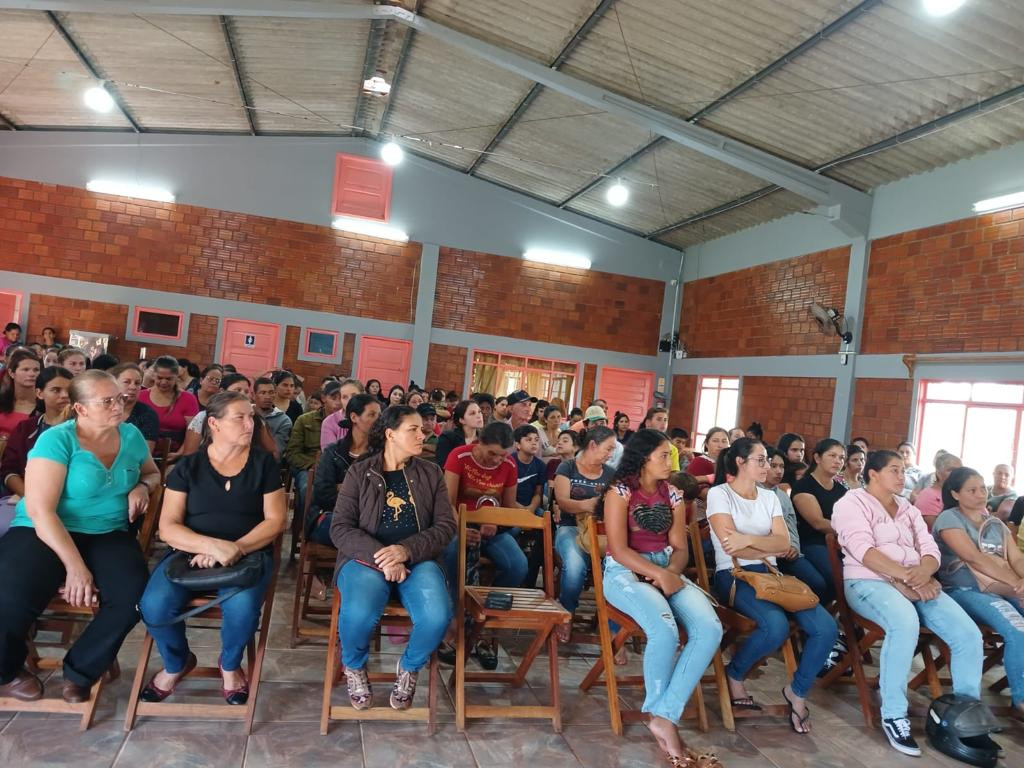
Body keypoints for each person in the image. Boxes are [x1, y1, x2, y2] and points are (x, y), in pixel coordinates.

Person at [0, 370, 157, 703]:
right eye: (108, 401)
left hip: (106, 531)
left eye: (120, 396)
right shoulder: (57, 440)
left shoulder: (130, 436)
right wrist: (75, 567)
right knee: (10, 591)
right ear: (81, 409)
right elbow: (42, 512)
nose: (121, 403)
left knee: (134, 597)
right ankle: (6, 671)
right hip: (44, 528)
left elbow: (152, 471)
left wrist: (143, 487)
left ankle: (81, 670)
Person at [137, 391, 286, 706]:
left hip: (247, 554)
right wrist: (211, 546)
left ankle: (230, 664)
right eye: (240, 418)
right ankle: (177, 662)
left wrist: (235, 548)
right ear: (214, 424)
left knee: (242, 609)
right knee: (154, 606)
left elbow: (275, 521)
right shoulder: (188, 468)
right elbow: (169, 527)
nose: (250, 424)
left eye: (252, 417)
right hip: (190, 553)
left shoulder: (263, 465)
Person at [833, 450, 984, 756]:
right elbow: (863, 550)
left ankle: (966, 718)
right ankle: (894, 714)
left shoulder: (908, 508)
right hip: (868, 581)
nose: (902, 477)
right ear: (873, 474)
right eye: (894, 470)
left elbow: (930, 549)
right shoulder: (851, 503)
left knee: (968, 634)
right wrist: (904, 578)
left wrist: (924, 572)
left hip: (918, 582)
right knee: (904, 623)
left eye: (903, 471)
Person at [600, 429, 723, 766]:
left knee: (711, 628)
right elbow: (620, 549)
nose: (671, 462)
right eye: (663, 456)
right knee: (665, 630)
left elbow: (680, 547)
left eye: (672, 455)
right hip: (624, 572)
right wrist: (657, 575)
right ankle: (661, 716)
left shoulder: (673, 494)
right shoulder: (620, 491)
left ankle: (664, 716)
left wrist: (669, 571)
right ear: (642, 459)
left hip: (666, 568)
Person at [707, 438, 837, 733]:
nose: (767, 466)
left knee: (826, 628)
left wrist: (749, 540)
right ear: (740, 462)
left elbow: (784, 542)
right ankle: (735, 675)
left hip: (773, 576)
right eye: (761, 460)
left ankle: (797, 691)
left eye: (767, 460)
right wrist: (761, 546)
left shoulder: (770, 497)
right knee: (775, 626)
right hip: (735, 575)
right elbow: (731, 547)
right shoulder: (720, 494)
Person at [331, 405, 455, 710]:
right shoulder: (360, 472)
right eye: (412, 429)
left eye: (422, 429)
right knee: (359, 613)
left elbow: (445, 525)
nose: (421, 434)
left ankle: (410, 667)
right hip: (364, 559)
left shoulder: (430, 472)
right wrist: (384, 558)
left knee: (437, 616)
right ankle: (354, 666)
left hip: (419, 559)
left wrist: (406, 551)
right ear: (390, 434)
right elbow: (340, 528)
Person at [933, 466, 1024, 721]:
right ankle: (1021, 700)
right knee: (1017, 628)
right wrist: (1017, 585)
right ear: (955, 493)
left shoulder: (994, 524)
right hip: (965, 590)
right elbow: (973, 557)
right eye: (972, 490)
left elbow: (1016, 558)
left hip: (1005, 588)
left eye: (983, 488)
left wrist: (1022, 581)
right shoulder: (949, 519)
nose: (981, 494)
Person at [442, 421, 525, 657]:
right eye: (492, 454)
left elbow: (508, 506)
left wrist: (495, 521)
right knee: (451, 553)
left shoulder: (509, 465)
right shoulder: (460, 457)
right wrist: (460, 528)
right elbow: (447, 502)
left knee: (517, 566)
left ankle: (483, 619)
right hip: (458, 523)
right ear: (479, 443)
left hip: (491, 528)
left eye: (503, 456)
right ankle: (455, 617)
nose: (498, 461)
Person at [552, 425, 617, 643]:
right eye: (608, 449)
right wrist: (587, 505)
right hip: (570, 527)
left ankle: (614, 627)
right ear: (592, 445)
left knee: (619, 569)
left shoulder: (610, 474)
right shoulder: (567, 467)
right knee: (575, 566)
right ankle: (567, 613)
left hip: (601, 531)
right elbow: (562, 501)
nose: (611, 454)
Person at [1, 365, 73, 536]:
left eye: (69, 391)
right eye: (56, 390)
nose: (64, 395)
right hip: (25, 497)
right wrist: (30, 497)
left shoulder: (83, 430)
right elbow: (8, 470)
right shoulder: (26, 428)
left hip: (69, 504)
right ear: (40, 393)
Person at [309, 394, 381, 546]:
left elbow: (381, 493)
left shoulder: (380, 455)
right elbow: (323, 493)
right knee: (348, 531)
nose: (378, 420)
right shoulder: (333, 452)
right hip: (332, 515)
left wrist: (344, 488)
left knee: (375, 531)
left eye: (379, 415)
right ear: (354, 417)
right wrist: (359, 494)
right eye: (372, 415)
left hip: (368, 519)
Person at [763, 446, 828, 600]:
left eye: (782, 467)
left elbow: (791, 525)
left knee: (818, 583)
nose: (779, 471)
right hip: (764, 553)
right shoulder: (752, 492)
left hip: (788, 553)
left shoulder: (783, 496)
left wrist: (794, 547)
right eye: (773, 466)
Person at [790, 439, 847, 605]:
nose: (838, 461)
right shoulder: (804, 486)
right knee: (837, 578)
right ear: (817, 458)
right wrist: (849, 531)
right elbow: (818, 523)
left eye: (842, 457)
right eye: (832, 455)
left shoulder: (841, 490)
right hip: (812, 543)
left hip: (840, 543)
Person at [179, 374, 277, 459]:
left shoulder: (255, 419)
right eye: (237, 390)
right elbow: (189, 455)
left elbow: (273, 453)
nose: (242, 395)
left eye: (246, 391)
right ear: (222, 392)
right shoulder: (204, 417)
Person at [284, 380, 343, 515]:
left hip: (337, 469)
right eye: (333, 398)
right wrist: (316, 465)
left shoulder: (347, 423)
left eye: (342, 399)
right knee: (308, 489)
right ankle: (308, 525)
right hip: (309, 467)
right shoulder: (305, 420)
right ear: (323, 398)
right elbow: (292, 453)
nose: (338, 403)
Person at [138, 356, 200, 453]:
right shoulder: (141, 396)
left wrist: (180, 454)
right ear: (154, 375)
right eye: (160, 378)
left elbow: (193, 433)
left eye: (168, 379)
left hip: (174, 456)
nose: (163, 382)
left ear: (176, 376)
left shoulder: (188, 399)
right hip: (141, 453)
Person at [110, 363, 159, 451]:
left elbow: (145, 452)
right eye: (126, 382)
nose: (133, 387)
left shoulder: (148, 414)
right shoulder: (102, 408)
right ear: (114, 383)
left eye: (137, 383)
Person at [0, 348, 41, 440]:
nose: (32, 374)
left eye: (36, 370)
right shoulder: (2, 399)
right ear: (11, 373)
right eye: (25, 369)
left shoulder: (43, 405)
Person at [686, 427, 729, 512]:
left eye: (724, 441)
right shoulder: (699, 461)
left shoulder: (730, 464)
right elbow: (702, 492)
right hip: (703, 513)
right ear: (706, 444)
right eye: (715, 441)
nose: (720, 445)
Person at [915, 452, 962, 527]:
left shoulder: (965, 493)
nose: (958, 474)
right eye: (951, 470)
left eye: (961, 470)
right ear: (938, 473)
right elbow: (941, 530)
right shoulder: (927, 496)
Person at [435, 399, 483, 469]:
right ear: (462, 420)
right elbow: (443, 465)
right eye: (472, 413)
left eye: (479, 412)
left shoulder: (485, 439)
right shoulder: (448, 437)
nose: (479, 416)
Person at [320, 378, 366, 449]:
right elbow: (330, 455)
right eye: (344, 397)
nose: (350, 400)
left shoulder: (372, 420)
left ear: (363, 396)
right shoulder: (329, 422)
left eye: (354, 396)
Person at [253, 377, 292, 458]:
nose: (267, 397)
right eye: (263, 393)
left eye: (271, 392)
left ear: (275, 394)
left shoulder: (283, 420)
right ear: (254, 395)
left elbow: (276, 453)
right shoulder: (245, 413)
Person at [637, 407, 679, 471]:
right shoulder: (637, 444)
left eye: (665, 420)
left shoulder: (672, 449)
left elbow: (674, 474)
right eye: (659, 419)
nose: (663, 423)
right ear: (648, 423)